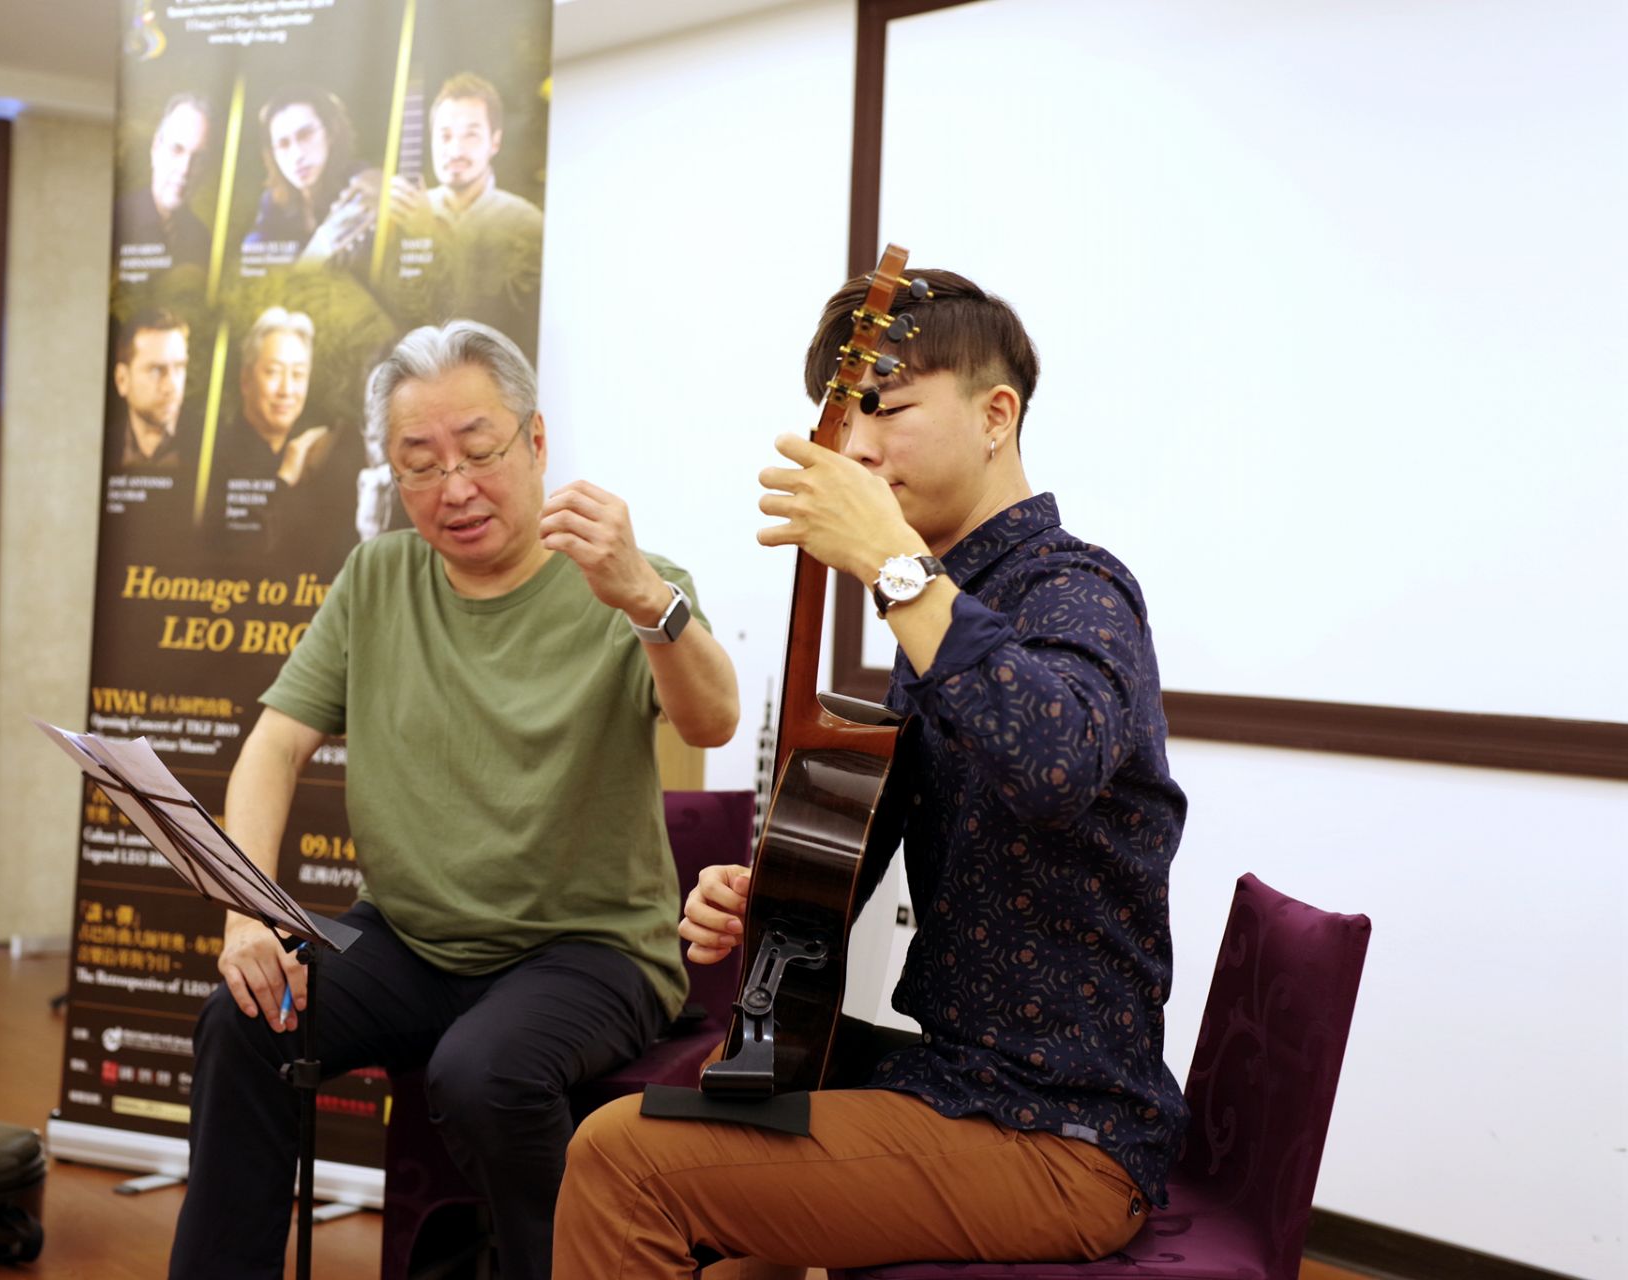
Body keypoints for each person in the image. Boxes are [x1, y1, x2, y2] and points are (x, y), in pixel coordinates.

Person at [552, 271, 1190, 1277]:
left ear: (996, 415)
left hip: (1058, 1128)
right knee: (730, 1097)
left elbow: (1054, 762)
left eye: (887, 409)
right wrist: (769, 891)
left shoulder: (1077, 588)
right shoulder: (941, 609)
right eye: (844, 418)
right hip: (959, 1076)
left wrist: (896, 566)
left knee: (621, 1161)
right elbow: (859, 851)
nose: (854, 447)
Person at [166, 320, 741, 1280]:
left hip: (590, 950)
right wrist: (245, 915)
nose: (456, 488)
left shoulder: (623, 584)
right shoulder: (377, 576)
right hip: (411, 938)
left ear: (536, 441)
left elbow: (713, 720)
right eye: (421, 465)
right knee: (244, 1020)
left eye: (479, 453)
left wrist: (644, 594)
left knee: (484, 1073)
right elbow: (274, 745)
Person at [391, 73, 544, 346]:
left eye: (471, 135)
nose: (455, 151)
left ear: (495, 141)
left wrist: (428, 234)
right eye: (445, 136)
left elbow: (486, 319)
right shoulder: (406, 213)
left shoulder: (526, 225)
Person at [208, 306, 333, 533]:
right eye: (273, 372)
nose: (286, 390)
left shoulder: (315, 451)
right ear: (246, 380)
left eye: (298, 374)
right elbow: (240, 543)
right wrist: (285, 478)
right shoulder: (214, 453)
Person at [242, 87, 379, 272]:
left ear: (330, 133)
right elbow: (253, 261)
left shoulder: (362, 183)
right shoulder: (272, 203)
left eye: (306, 135)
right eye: (283, 144)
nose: (297, 155)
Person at [116, 93, 213, 272]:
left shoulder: (202, 238)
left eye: (198, 158)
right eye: (177, 149)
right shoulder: (119, 220)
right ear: (155, 148)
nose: (185, 168)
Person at [111, 308, 191, 469]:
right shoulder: (104, 447)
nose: (171, 386)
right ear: (122, 380)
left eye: (179, 367)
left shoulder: (213, 449)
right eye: (156, 370)